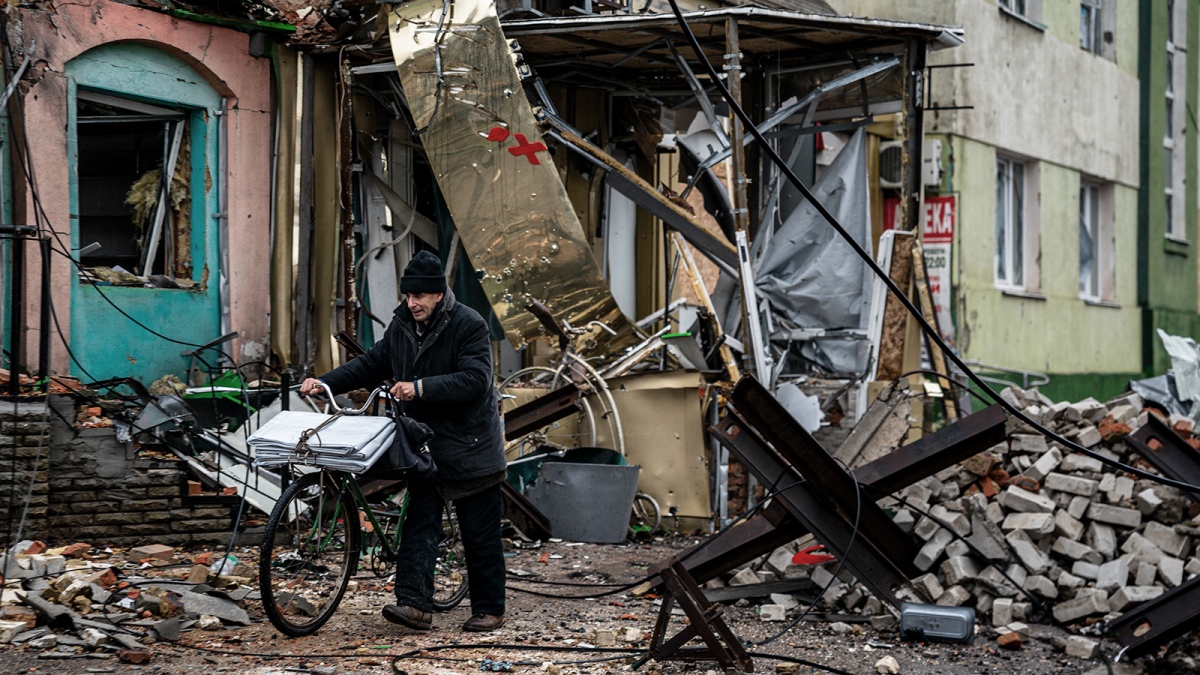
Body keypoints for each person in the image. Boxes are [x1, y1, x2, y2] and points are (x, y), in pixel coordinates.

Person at [300, 250, 507, 632]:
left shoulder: (469, 325)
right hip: (425, 445)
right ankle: (415, 605)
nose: (412, 303)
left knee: (479, 532)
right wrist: (325, 381)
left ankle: (490, 608)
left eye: (420, 297)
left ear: (439, 295)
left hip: (469, 444)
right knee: (420, 522)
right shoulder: (402, 326)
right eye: (408, 296)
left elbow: (477, 379)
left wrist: (420, 388)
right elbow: (371, 364)